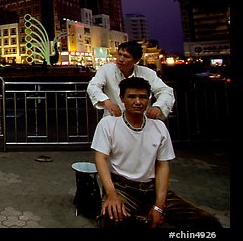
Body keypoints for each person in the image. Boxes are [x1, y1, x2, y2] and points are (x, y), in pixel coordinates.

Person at [91, 77, 222, 229]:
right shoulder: (108, 124)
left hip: (152, 188)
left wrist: (159, 206)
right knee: (111, 220)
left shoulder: (158, 127)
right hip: (122, 188)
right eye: (132, 97)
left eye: (143, 97)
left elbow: (162, 166)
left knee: (207, 222)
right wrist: (111, 193)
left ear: (149, 99)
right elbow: (100, 159)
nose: (138, 102)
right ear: (122, 99)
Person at [87, 40, 174, 120]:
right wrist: (106, 101)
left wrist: (158, 107)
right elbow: (93, 86)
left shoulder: (147, 73)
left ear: (136, 60)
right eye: (119, 54)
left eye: (126, 56)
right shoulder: (106, 70)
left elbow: (165, 91)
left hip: (141, 121)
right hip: (113, 120)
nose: (121, 59)